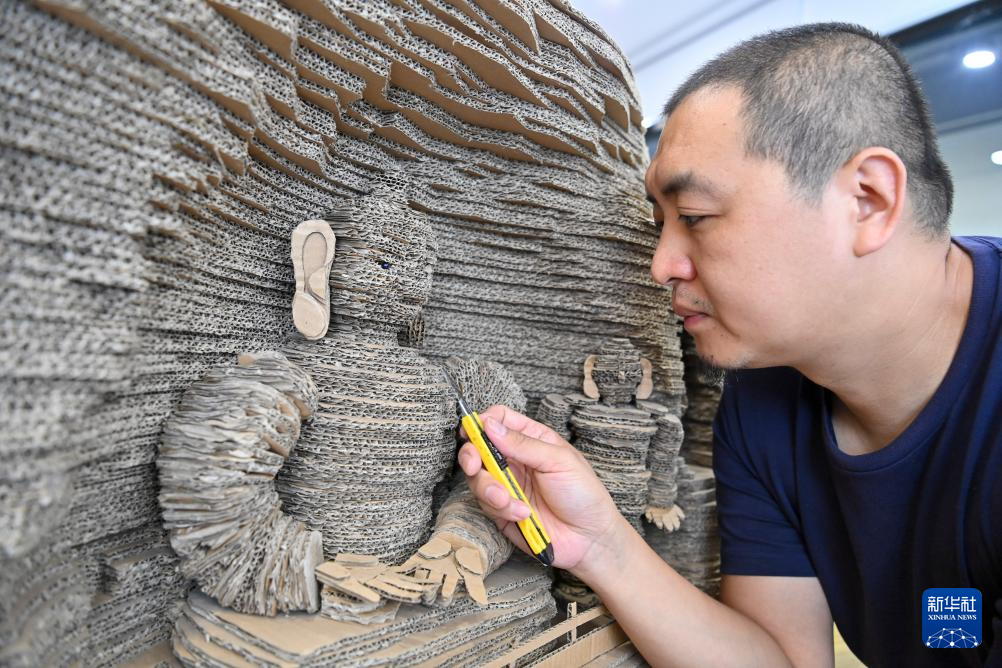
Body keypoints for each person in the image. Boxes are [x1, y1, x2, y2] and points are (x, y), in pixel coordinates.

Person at [457, 22, 1001, 668]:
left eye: (695, 217)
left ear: (867, 200)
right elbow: (782, 660)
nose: (661, 267)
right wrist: (602, 545)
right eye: (660, 225)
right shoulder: (762, 396)